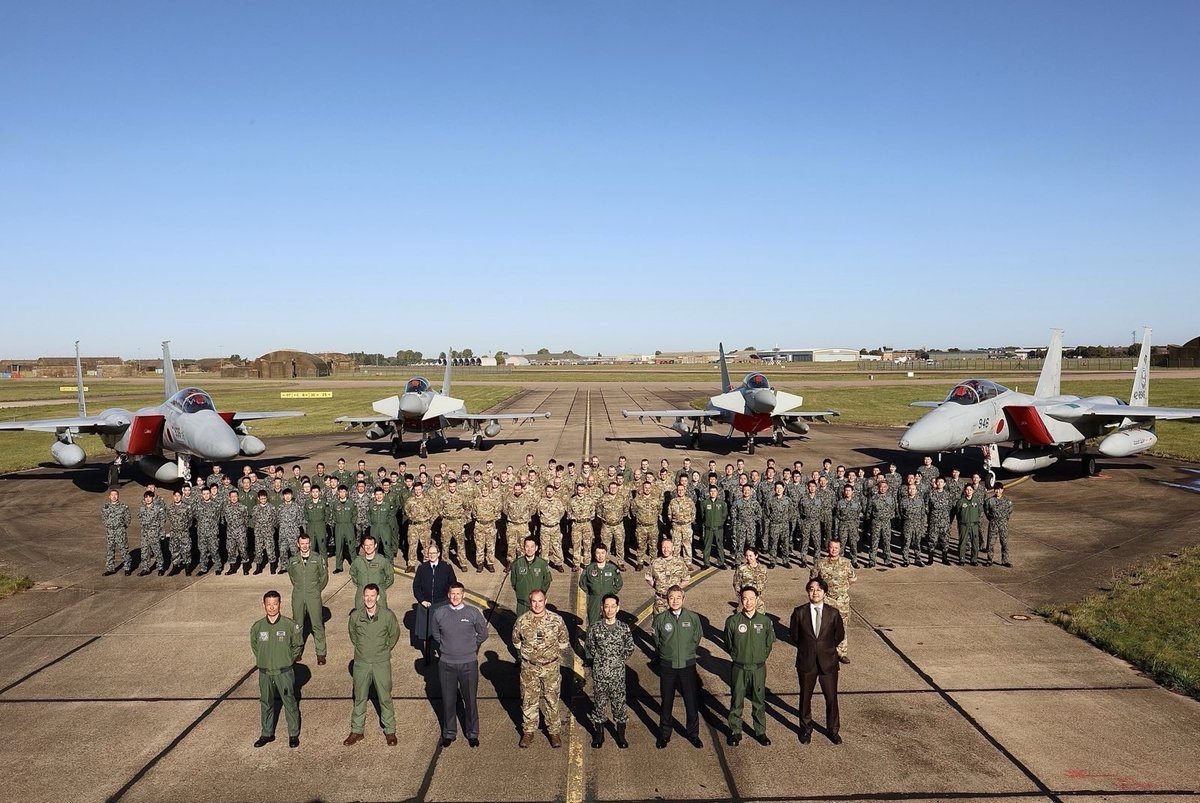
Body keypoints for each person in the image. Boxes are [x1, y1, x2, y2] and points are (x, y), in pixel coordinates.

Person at [431, 582, 489, 748]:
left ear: (463, 595)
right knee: (448, 700)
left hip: (468, 663)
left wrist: (470, 646)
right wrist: (447, 647)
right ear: (448, 595)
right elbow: (436, 634)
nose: (455, 597)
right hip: (446, 664)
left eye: (458, 593)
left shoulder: (472, 613)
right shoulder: (439, 613)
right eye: (452, 594)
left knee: (470, 700)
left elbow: (483, 633)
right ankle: (449, 733)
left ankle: (472, 733)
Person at [790, 577, 845, 744]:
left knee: (831, 698)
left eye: (819, 590)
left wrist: (824, 648)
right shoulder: (799, 612)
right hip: (806, 661)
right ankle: (805, 729)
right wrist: (809, 648)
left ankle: (833, 730)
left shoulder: (833, 613)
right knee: (805, 697)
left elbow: (839, 635)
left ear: (825, 593)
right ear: (808, 592)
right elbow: (794, 636)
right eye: (812, 589)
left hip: (828, 661)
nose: (815, 593)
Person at [344, 584, 401, 746]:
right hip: (361, 663)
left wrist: (384, 650)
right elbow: (353, 635)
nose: (369, 599)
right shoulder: (355, 616)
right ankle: (357, 731)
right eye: (367, 596)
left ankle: (390, 731)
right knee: (359, 697)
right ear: (363, 597)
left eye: (372, 596)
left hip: (381, 662)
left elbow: (394, 634)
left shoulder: (387, 616)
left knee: (385, 697)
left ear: (378, 597)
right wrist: (363, 649)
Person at [513, 588, 569, 748]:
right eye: (534, 601)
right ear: (530, 602)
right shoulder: (522, 621)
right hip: (529, 668)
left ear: (545, 601)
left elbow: (563, 642)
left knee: (552, 700)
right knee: (528, 700)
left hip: (550, 668)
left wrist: (548, 656)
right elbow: (516, 642)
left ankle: (554, 732)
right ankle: (528, 731)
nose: (537, 605)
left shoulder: (556, 620)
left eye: (540, 601)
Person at [250, 590, 302, 748]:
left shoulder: (289, 625)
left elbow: (297, 645)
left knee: (289, 702)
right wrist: (264, 660)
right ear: (264, 605)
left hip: (283, 672)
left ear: (280, 604)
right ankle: (267, 733)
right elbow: (255, 646)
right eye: (269, 604)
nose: (272, 607)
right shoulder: (258, 627)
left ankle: (293, 734)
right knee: (266, 703)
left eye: (275, 603)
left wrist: (288, 659)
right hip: (265, 673)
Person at [653, 585, 703, 749]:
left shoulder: (693, 618)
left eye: (678, 598)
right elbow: (657, 640)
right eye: (671, 598)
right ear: (667, 600)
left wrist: (688, 652)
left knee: (691, 701)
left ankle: (693, 734)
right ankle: (664, 734)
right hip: (668, 665)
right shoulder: (660, 619)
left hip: (687, 665)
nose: (675, 601)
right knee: (667, 701)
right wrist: (666, 654)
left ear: (683, 599)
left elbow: (697, 637)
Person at [724, 586, 775, 746]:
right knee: (737, 699)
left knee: (759, 700)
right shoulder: (733, 621)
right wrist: (737, 656)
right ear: (740, 600)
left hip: (758, 668)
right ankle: (735, 731)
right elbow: (728, 642)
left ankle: (760, 731)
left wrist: (760, 657)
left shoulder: (765, 621)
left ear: (757, 599)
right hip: (739, 667)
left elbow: (769, 643)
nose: (748, 602)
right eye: (745, 599)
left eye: (752, 599)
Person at [583, 593, 634, 749]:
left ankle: (621, 736)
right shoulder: (595, 628)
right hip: (600, 675)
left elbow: (629, 648)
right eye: (607, 606)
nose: (610, 610)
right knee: (599, 705)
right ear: (602, 608)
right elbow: (590, 646)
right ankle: (599, 736)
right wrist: (602, 660)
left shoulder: (624, 628)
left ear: (618, 608)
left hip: (617, 675)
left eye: (613, 606)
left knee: (619, 705)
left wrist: (617, 661)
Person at [286, 533, 329, 665]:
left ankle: (321, 653)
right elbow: (292, 576)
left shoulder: (317, 558)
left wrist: (316, 589)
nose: (304, 546)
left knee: (317, 624)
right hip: (298, 595)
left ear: (310, 543)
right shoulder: (293, 560)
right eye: (302, 543)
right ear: (298, 544)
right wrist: (300, 587)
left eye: (306, 543)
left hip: (313, 595)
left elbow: (324, 576)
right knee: (297, 625)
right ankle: (296, 652)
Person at [811, 540, 855, 663]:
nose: (834, 550)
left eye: (836, 548)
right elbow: (813, 581)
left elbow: (852, 578)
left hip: (842, 601)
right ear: (828, 548)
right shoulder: (820, 563)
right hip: (827, 600)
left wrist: (843, 589)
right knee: (824, 627)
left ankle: (841, 653)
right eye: (831, 547)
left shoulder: (846, 563)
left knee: (842, 626)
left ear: (840, 549)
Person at [413, 542, 457, 661]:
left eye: (434, 553)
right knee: (427, 633)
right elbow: (416, 586)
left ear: (438, 554)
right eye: (429, 553)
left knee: (443, 631)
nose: (431, 555)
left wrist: (449, 599)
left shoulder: (446, 567)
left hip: (442, 603)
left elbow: (453, 584)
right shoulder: (422, 568)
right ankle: (427, 655)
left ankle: (445, 654)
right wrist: (422, 600)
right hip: (426, 605)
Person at [578, 543, 622, 625]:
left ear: (606, 554)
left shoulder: (612, 568)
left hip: (608, 600)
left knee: (609, 622)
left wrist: (611, 592)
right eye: (598, 553)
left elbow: (619, 583)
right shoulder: (589, 568)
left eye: (603, 553)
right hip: (594, 600)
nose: (600, 556)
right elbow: (582, 583)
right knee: (593, 622)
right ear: (594, 555)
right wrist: (591, 592)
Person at [646, 537, 691, 616]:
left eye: (668, 547)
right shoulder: (655, 563)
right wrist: (657, 586)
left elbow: (686, 579)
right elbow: (648, 578)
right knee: (659, 621)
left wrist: (677, 589)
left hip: (675, 602)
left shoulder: (680, 563)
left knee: (675, 622)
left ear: (673, 548)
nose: (666, 550)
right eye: (664, 547)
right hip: (660, 601)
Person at [350, 534, 394, 610]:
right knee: (360, 614)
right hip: (361, 595)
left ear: (375, 545)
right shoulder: (357, 561)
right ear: (363, 546)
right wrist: (361, 585)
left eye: (371, 545)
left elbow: (390, 577)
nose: (368, 547)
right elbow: (353, 575)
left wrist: (381, 588)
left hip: (379, 595)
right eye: (366, 545)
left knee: (381, 614)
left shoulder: (382, 561)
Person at [510, 536, 552, 618]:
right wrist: (521, 592)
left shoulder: (542, 564)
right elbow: (513, 582)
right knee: (521, 624)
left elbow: (547, 581)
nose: (529, 549)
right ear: (523, 548)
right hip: (522, 604)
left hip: (537, 604)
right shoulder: (517, 564)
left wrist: (540, 595)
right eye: (527, 546)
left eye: (532, 547)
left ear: (536, 548)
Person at [983, 482, 1014, 567]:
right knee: (991, 543)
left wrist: (1004, 519)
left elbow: (1010, 511)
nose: (998, 491)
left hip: (1003, 525)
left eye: (999, 489)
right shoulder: (990, 501)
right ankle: (989, 560)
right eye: (996, 489)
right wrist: (992, 519)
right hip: (993, 525)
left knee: (1004, 543)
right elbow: (987, 511)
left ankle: (1005, 561)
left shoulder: (1007, 501)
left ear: (1002, 490)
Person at [698, 484, 728, 568]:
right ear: (709, 493)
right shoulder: (704, 503)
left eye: (714, 491)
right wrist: (707, 522)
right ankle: (706, 563)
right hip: (708, 528)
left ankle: (721, 562)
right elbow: (702, 514)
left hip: (719, 528)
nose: (713, 493)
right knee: (707, 546)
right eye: (711, 491)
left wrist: (719, 522)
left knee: (719, 546)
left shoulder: (722, 503)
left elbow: (724, 515)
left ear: (717, 492)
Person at [137, 490, 166, 576]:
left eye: (150, 497)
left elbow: (162, 520)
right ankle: (145, 568)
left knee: (157, 551)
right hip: (145, 534)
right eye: (146, 497)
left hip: (154, 533)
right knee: (144, 551)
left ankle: (160, 567)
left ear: (153, 498)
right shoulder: (142, 508)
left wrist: (160, 531)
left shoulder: (157, 508)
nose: (148, 499)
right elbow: (140, 518)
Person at [955, 484, 984, 565]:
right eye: (967, 490)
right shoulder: (960, 501)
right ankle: (962, 559)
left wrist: (975, 519)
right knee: (962, 542)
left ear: (973, 491)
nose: (969, 491)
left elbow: (980, 512)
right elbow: (958, 513)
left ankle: (974, 559)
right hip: (964, 525)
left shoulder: (976, 501)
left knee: (975, 542)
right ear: (964, 491)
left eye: (970, 490)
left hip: (974, 525)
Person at [732, 547, 767, 613]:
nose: (748, 558)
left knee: (760, 616)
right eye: (746, 556)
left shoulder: (763, 568)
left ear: (756, 556)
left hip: (758, 599)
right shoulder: (741, 568)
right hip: (745, 598)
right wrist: (741, 596)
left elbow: (764, 582)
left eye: (750, 556)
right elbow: (736, 583)